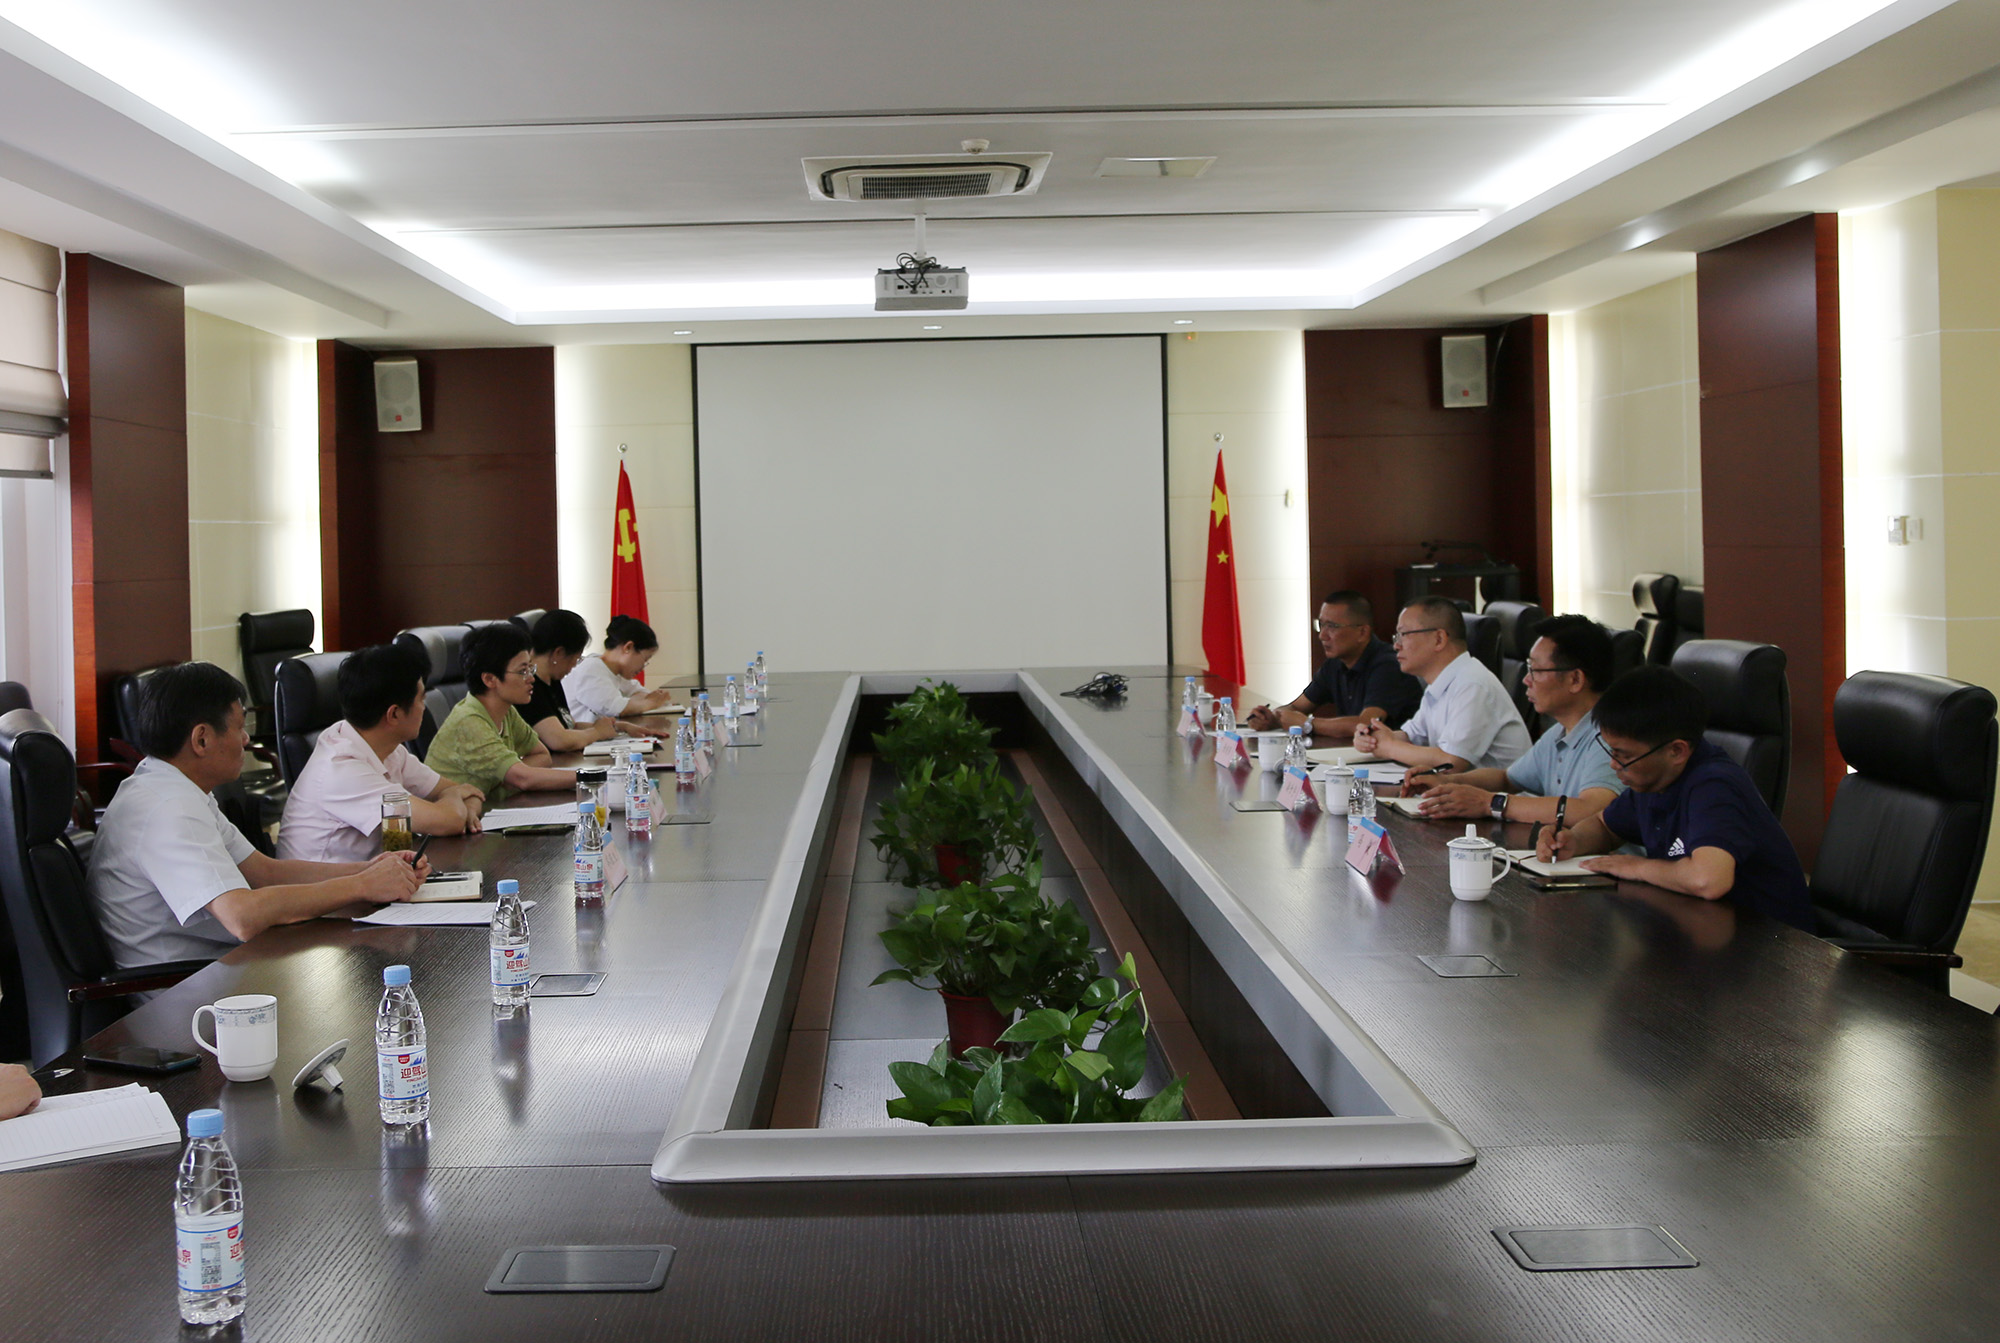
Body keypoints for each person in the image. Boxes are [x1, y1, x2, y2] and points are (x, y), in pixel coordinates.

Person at [85, 662, 427, 969]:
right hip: (180, 991)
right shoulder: (168, 808)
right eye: (239, 727)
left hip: (221, 966)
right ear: (201, 739)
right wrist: (362, 885)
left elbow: (265, 872)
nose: (247, 739)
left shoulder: (174, 786)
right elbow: (242, 917)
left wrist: (372, 869)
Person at [1538, 665, 1813, 930]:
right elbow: (1604, 826)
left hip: (1771, 944)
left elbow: (1709, 880)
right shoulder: (1652, 780)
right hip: (1702, 928)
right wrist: (1573, 841)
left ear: (1676, 751)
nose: (1614, 764)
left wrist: (1637, 867)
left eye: (1624, 756)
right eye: (1612, 752)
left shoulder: (1714, 785)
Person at [277, 643, 486, 863]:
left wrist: (463, 802)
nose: (424, 707)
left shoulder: (386, 747)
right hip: (326, 883)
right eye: (421, 699)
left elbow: (467, 792)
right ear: (394, 714)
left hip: (373, 875)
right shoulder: (343, 770)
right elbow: (449, 821)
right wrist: (455, 797)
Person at [1410, 614, 1624, 826]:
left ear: (1575, 679)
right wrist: (1446, 782)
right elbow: (1507, 779)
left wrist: (1489, 803)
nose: (1526, 680)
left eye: (1535, 670)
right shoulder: (1558, 734)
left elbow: (1592, 809)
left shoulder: (1609, 738)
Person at [1352, 597, 1530, 773]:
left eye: (1404, 634)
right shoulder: (1439, 684)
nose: (1396, 645)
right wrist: (1374, 738)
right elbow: (1413, 737)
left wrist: (1389, 747)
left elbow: (1451, 763)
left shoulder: (1473, 684)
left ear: (1439, 639)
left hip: (1497, 791)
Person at [426, 622, 576, 803]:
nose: (531, 678)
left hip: (491, 809)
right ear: (490, 679)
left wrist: (508, 779)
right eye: (523, 671)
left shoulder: (506, 711)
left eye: (531, 668)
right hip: (458, 816)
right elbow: (524, 779)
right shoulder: (468, 722)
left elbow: (542, 756)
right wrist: (590, 776)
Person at [1246, 590, 1422, 740]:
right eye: (1321, 625)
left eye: (1332, 626)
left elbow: (1367, 724)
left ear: (1362, 632)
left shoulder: (1388, 665)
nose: (1322, 635)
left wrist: (1308, 724)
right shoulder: (1334, 664)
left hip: (1397, 761)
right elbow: (1297, 706)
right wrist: (1272, 718)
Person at [524, 609, 618, 753]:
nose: (574, 665)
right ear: (559, 653)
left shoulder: (552, 679)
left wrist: (617, 727)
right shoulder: (529, 685)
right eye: (576, 658)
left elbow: (569, 726)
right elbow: (558, 740)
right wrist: (597, 732)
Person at [562, 615, 676, 724]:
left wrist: (645, 701)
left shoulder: (616, 671)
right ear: (628, 647)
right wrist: (649, 703)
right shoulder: (591, 669)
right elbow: (617, 709)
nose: (643, 666)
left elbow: (640, 693)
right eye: (645, 659)